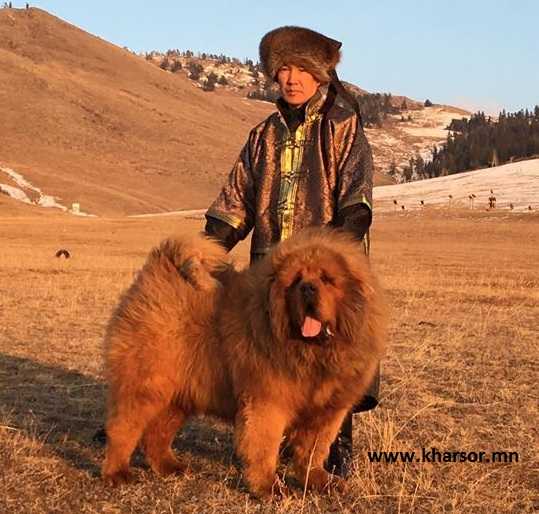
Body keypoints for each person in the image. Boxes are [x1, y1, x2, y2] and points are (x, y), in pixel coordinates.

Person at [205, 25, 380, 478]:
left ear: (320, 74)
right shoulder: (261, 136)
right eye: (282, 68)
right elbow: (236, 201)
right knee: (271, 366)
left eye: (301, 68)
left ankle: (331, 445)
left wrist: (338, 249)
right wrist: (206, 251)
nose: (291, 78)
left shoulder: (343, 126)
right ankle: (271, 444)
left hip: (325, 275)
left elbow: (356, 199)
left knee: (335, 361)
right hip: (271, 276)